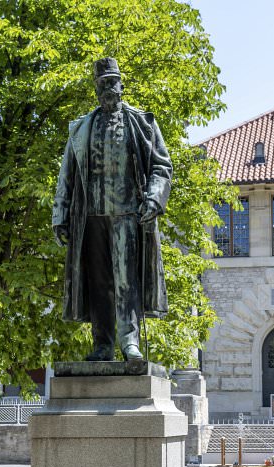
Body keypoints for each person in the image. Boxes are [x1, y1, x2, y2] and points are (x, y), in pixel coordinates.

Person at [52, 58, 172, 361]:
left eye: (112, 82)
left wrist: (154, 199)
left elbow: (161, 166)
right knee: (98, 281)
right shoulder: (81, 129)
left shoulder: (141, 123)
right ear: (96, 88)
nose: (108, 88)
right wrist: (60, 215)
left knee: (125, 279)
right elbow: (66, 173)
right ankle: (102, 344)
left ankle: (129, 342)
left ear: (121, 85)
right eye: (102, 83)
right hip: (90, 216)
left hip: (127, 214)